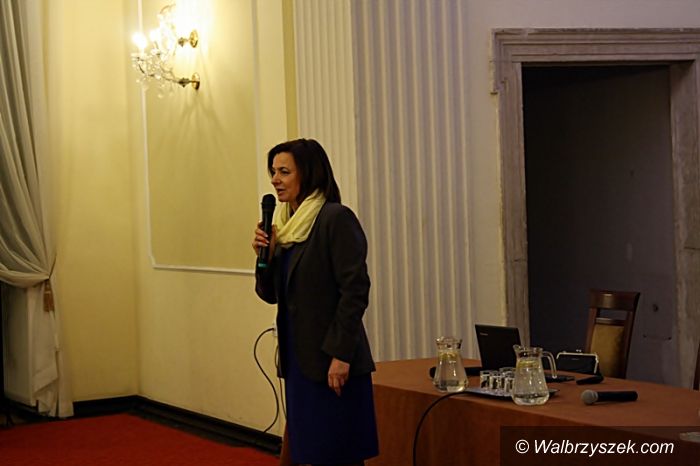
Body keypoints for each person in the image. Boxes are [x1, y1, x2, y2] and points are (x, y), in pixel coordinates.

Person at [252, 139, 379, 466]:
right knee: (310, 452)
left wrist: (341, 354)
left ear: (308, 173)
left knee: (337, 454)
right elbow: (270, 294)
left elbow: (355, 290)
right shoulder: (285, 228)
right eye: (273, 172)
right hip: (299, 361)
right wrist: (265, 258)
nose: (275, 180)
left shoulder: (334, 219)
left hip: (333, 360)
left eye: (284, 172)